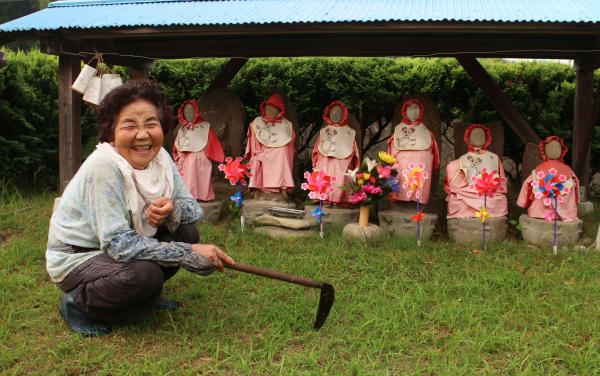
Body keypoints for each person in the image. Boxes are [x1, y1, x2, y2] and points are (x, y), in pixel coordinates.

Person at [46, 80, 235, 337]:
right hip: (80, 255)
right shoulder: (104, 167)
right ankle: (78, 303)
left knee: (187, 231)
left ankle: (142, 296)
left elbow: (194, 210)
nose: (143, 135)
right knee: (145, 275)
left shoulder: (161, 159)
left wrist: (172, 208)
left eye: (151, 124)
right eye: (129, 125)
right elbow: (118, 245)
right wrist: (188, 253)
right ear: (111, 131)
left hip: (124, 245)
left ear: (162, 126)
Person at [444, 123, 508, 218]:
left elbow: (501, 182)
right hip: (470, 192)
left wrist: (497, 189)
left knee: (500, 199)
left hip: (490, 193)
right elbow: (456, 183)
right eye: (474, 134)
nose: (478, 137)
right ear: (468, 138)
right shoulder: (463, 159)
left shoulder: (494, 157)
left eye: (480, 134)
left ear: (487, 138)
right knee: (456, 199)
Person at [387, 98, 439, 204]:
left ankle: (418, 197)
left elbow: (432, 152)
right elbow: (392, 150)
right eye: (410, 109)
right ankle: (399, 196)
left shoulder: (427, 132)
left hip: (419, 162)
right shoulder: (398, 129)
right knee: (399, 169)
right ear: (405, 112)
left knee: (422, 164)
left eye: (416, 110)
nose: (413, 113)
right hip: (403, 161)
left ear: (421, 112)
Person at [172, 99, 224, 201]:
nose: (188, 114)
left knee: (201, 176)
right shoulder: (182, 129)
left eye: (190, 111)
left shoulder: (204, 127)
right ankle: (188, 197)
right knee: (187, 177)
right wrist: (178, 155)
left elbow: (212, 141)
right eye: (186, 112)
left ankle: (202, 196)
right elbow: (177, 145)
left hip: (200, 156)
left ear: (196, 112)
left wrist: (213, 154)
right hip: (185, 158)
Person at [517, 135, 579, 221]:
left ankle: (544, 211)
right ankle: (564, 211)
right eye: (551, 148)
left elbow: (526, 185)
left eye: (557, 148)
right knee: (570, 185)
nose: (554, 151)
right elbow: (576, 187)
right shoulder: (569, 171)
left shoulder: (538, 171)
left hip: (538, 211)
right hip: (565, 210)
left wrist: (523, 202)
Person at [244, 93, 295, 194]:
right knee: (259, 156)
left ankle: (280, 186)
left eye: (273, 108)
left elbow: (289, 147)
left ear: (279, 111)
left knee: (282, 152)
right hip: (262, 152)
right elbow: (254, 144)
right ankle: (260, 187)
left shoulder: (287, 125)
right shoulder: (256, 122)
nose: (270, 111)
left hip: (279, 155)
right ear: (264, 109)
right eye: (268, 108)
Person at [311, 100, 360, 205]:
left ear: (344, 115)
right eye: (332, 112)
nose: (334, 114)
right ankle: (322, 198)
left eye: (338, 113)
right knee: (322, 174)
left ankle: (339, 199)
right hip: (324, 159)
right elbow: (316, 150)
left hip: (342, 161)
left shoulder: (349, 132)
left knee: (339, 177)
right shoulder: (324, 131)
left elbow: (355, 153)